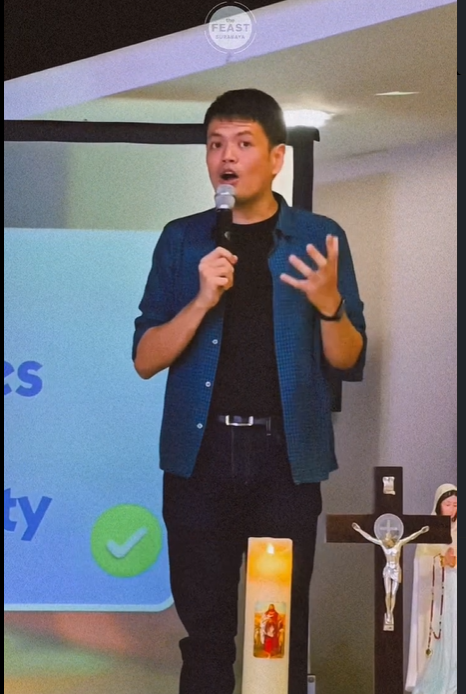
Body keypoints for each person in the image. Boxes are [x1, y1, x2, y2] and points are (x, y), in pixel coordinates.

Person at [132, 88, 367, 694]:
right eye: (215, 145)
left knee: (277, 630)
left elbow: (347, 356)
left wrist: (329, 305)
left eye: (242, 143)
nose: (226, 157)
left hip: (284, 462)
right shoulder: (183, 240)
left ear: (278, 157)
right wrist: (200, 300)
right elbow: (145, 359)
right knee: (206, 638)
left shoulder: (318, 236)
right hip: (199, 460)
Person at [406, 484, 457, 694]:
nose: (452, 509)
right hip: (437, 599)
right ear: (438, 505)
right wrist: (442, 560)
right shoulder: (428, 532)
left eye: (456, 505)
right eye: (447, 504)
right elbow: (423, 564)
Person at [352, 522, 430, 629]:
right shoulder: (383, 544)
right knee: (387, 593)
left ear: (391, 538)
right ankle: (388, 612)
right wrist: (359, 530)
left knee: (394, 593)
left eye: (387, 538)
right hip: (388, 570)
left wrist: (420, 531)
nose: (386, 540)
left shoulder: (399, 544)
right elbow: (369, 538)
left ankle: (391, 612)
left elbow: (411, 537)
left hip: (396, 570)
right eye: (385, 538)